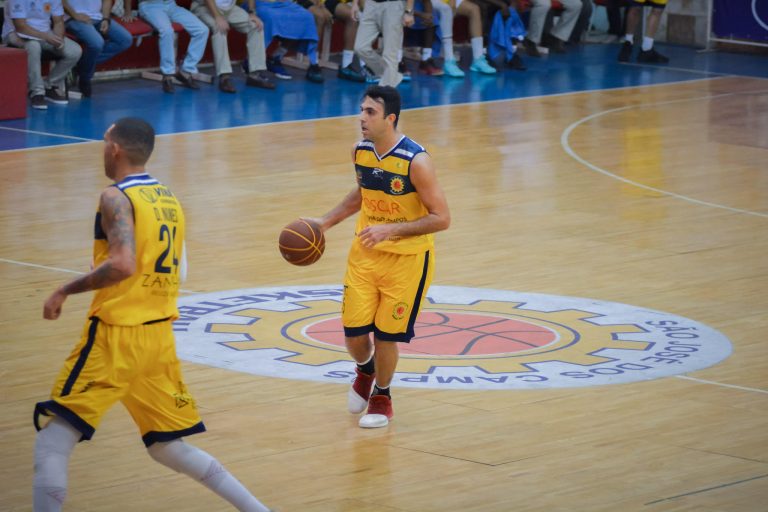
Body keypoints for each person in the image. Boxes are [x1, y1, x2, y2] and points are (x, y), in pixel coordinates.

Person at [36, 118, 274, 512]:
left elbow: (123, 264)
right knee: (167, 447)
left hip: (116, 336)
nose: (103, 148)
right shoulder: (169, 199)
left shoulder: (115, 197)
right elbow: (181, 270)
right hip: (158, 338)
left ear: (115, 149)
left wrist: (65, 289)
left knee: (53, 441)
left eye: (104, 142)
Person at [307, 86, 451, 428]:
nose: (361, 117)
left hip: (407, 261)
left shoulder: (417, 161)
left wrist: (391, 230)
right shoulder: (360, 151)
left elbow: (442, 218)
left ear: (390, 119)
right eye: (361, 110)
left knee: (386, 336)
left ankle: (382, 396)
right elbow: (363, 193)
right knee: (354, 335)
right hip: (365, 255)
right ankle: (365, 369)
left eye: (370, 112)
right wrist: (325, 222)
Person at [1, 0, 82, 109]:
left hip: (45, 33)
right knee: (33, 46)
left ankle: (49, 85)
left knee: (75, 50)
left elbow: (58, 22)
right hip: (16, 34)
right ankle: (36, 92)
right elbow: (20, 26)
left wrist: (59, 39)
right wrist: (46, 37)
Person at [121, 0, 209, 93]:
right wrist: (128, 12)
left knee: (202, 30)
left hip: (171, 5)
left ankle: (186, 69)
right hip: (150, 6)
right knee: (167, 31)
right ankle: (167, 75)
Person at [191, 0, 276, 92]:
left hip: (229, 8)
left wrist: (252, 12)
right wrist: (218, 17)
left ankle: (254, 75)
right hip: (204, 7)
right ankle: (224, 77)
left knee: (256, 26)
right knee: (219, 28)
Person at [63, 0, 132, 97]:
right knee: (97, 43)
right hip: (72, 18)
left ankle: (81, 65)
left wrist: (105, 19)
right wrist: (75, 15)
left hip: (98, 17)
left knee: (125, 40)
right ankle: (85, 78)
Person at [352, 0, 416, 87]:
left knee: (389, 53)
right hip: (370, 4)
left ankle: (385, 89)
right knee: (360, 48)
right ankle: (392, 75)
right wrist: (355, 3)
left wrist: (408, 11)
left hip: (393, 5)